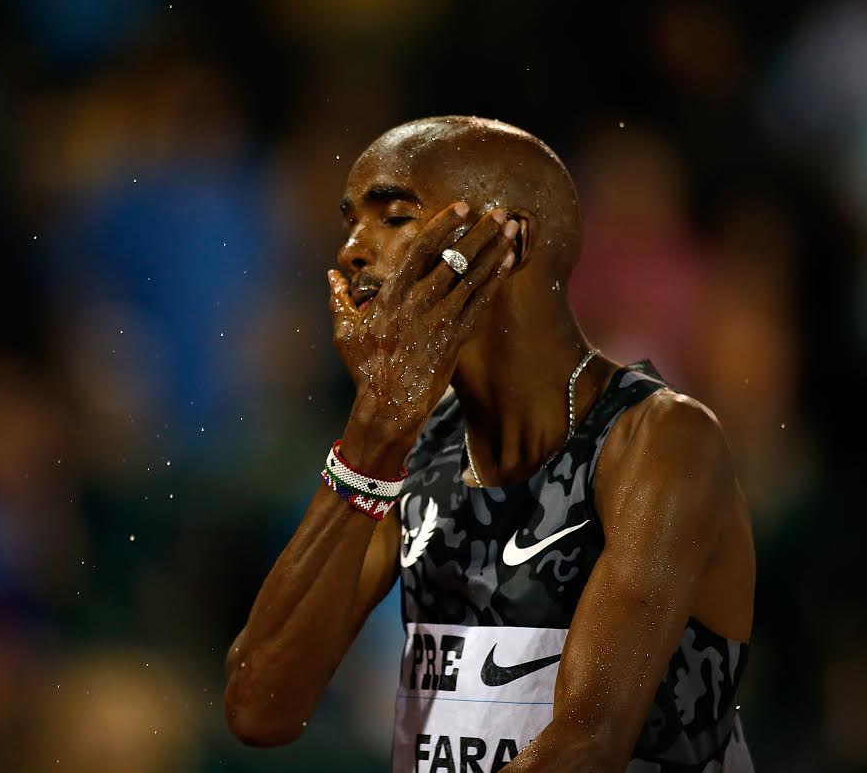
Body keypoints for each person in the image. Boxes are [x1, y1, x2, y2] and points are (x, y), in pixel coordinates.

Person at [224, 116, 755, 772]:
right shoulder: (413, 445)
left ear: (509, 239)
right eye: (348, 222)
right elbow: (260, 706)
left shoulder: (658, 439)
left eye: (392, 217)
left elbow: (587, 745)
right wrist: (372, 438)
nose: (350, 250)